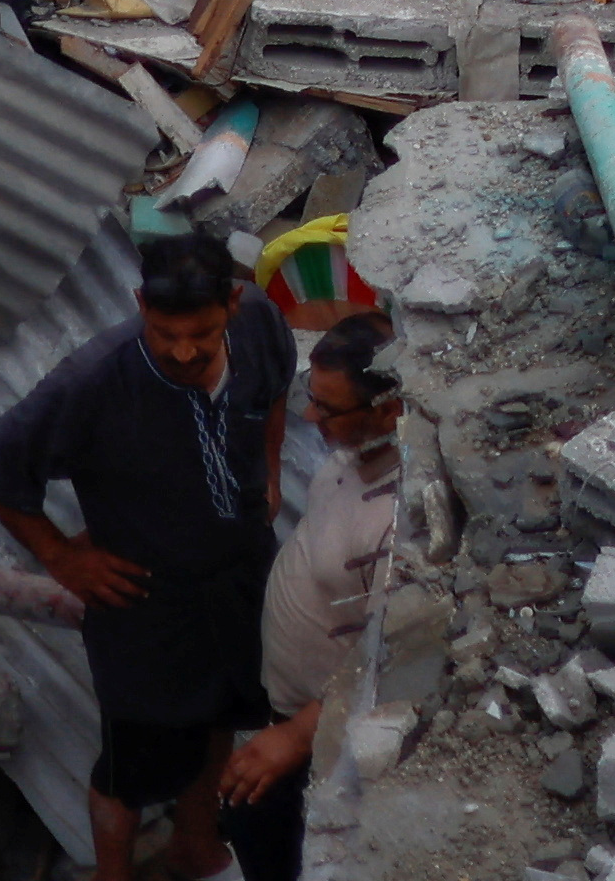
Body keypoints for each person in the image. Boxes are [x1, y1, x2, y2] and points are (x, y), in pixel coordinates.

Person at [0, 230, 297, 881]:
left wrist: (270, 466)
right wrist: (63, 558)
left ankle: (195, 846)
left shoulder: (259, 321)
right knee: (129, 768)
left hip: (239, 571)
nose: (182, 350)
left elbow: (279, 385)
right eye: (163, 330)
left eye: (200, 333)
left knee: (226, 713)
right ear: (139, 302)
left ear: (230, 304)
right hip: (147, 604)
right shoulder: (94, 380)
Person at [218, 317, 402, 881]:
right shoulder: (357, 450)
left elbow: (387, 656)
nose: (308, 418)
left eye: (328, 409)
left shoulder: (397, 519)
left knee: (274, 843)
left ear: (389, 409)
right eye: (312, 399)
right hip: (286, 708)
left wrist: (297, 737)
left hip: (323, 736)